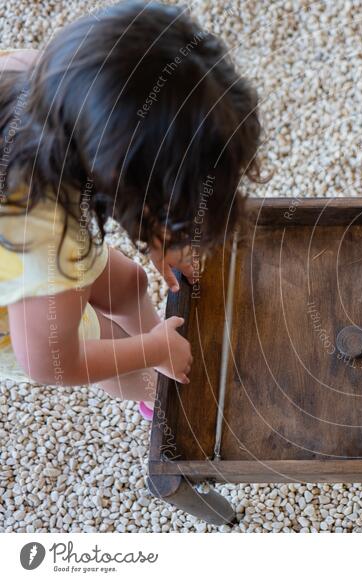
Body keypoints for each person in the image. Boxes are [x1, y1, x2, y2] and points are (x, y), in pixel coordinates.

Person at [0, 1, 261, 419]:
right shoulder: (46, 246)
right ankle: (154, 392)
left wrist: (158, 234)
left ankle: (159, 343)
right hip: (18, 303)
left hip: (42, 207)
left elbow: (109, 163)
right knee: (99, 338)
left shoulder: (43, 79)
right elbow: (53, 363)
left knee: (127, 282)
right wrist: (150, 351)